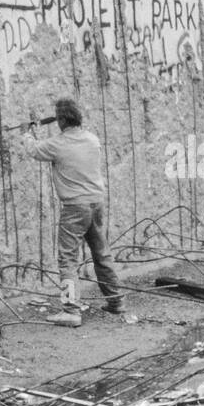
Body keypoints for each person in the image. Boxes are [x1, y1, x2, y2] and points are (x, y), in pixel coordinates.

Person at [20, 98, 123, 327]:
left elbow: (34, 150)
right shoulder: (92, 139)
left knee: (67, 258)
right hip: (96, 203)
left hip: (75, 207)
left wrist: (27, 133)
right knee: (101, 253)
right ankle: (116, 302)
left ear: (62, 120)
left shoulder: (58, 144)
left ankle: (71, 310)